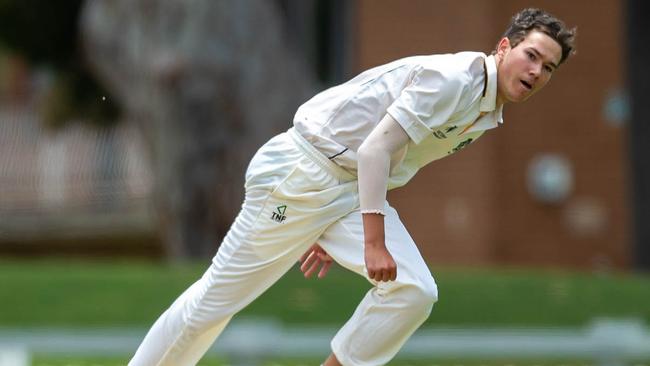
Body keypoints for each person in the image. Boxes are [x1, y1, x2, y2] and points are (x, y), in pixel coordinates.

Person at [130, 8, 576, 366]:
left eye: (548, 67)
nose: (537, 71)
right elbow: (374, 150)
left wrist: (340, 223)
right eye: (531, 55)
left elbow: (393, 158)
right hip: (302, 173)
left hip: (342, 188)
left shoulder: (486, 107)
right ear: (504, 47)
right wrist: (371, 240)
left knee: (414, 289)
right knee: (215, 302)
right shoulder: (455, 80)